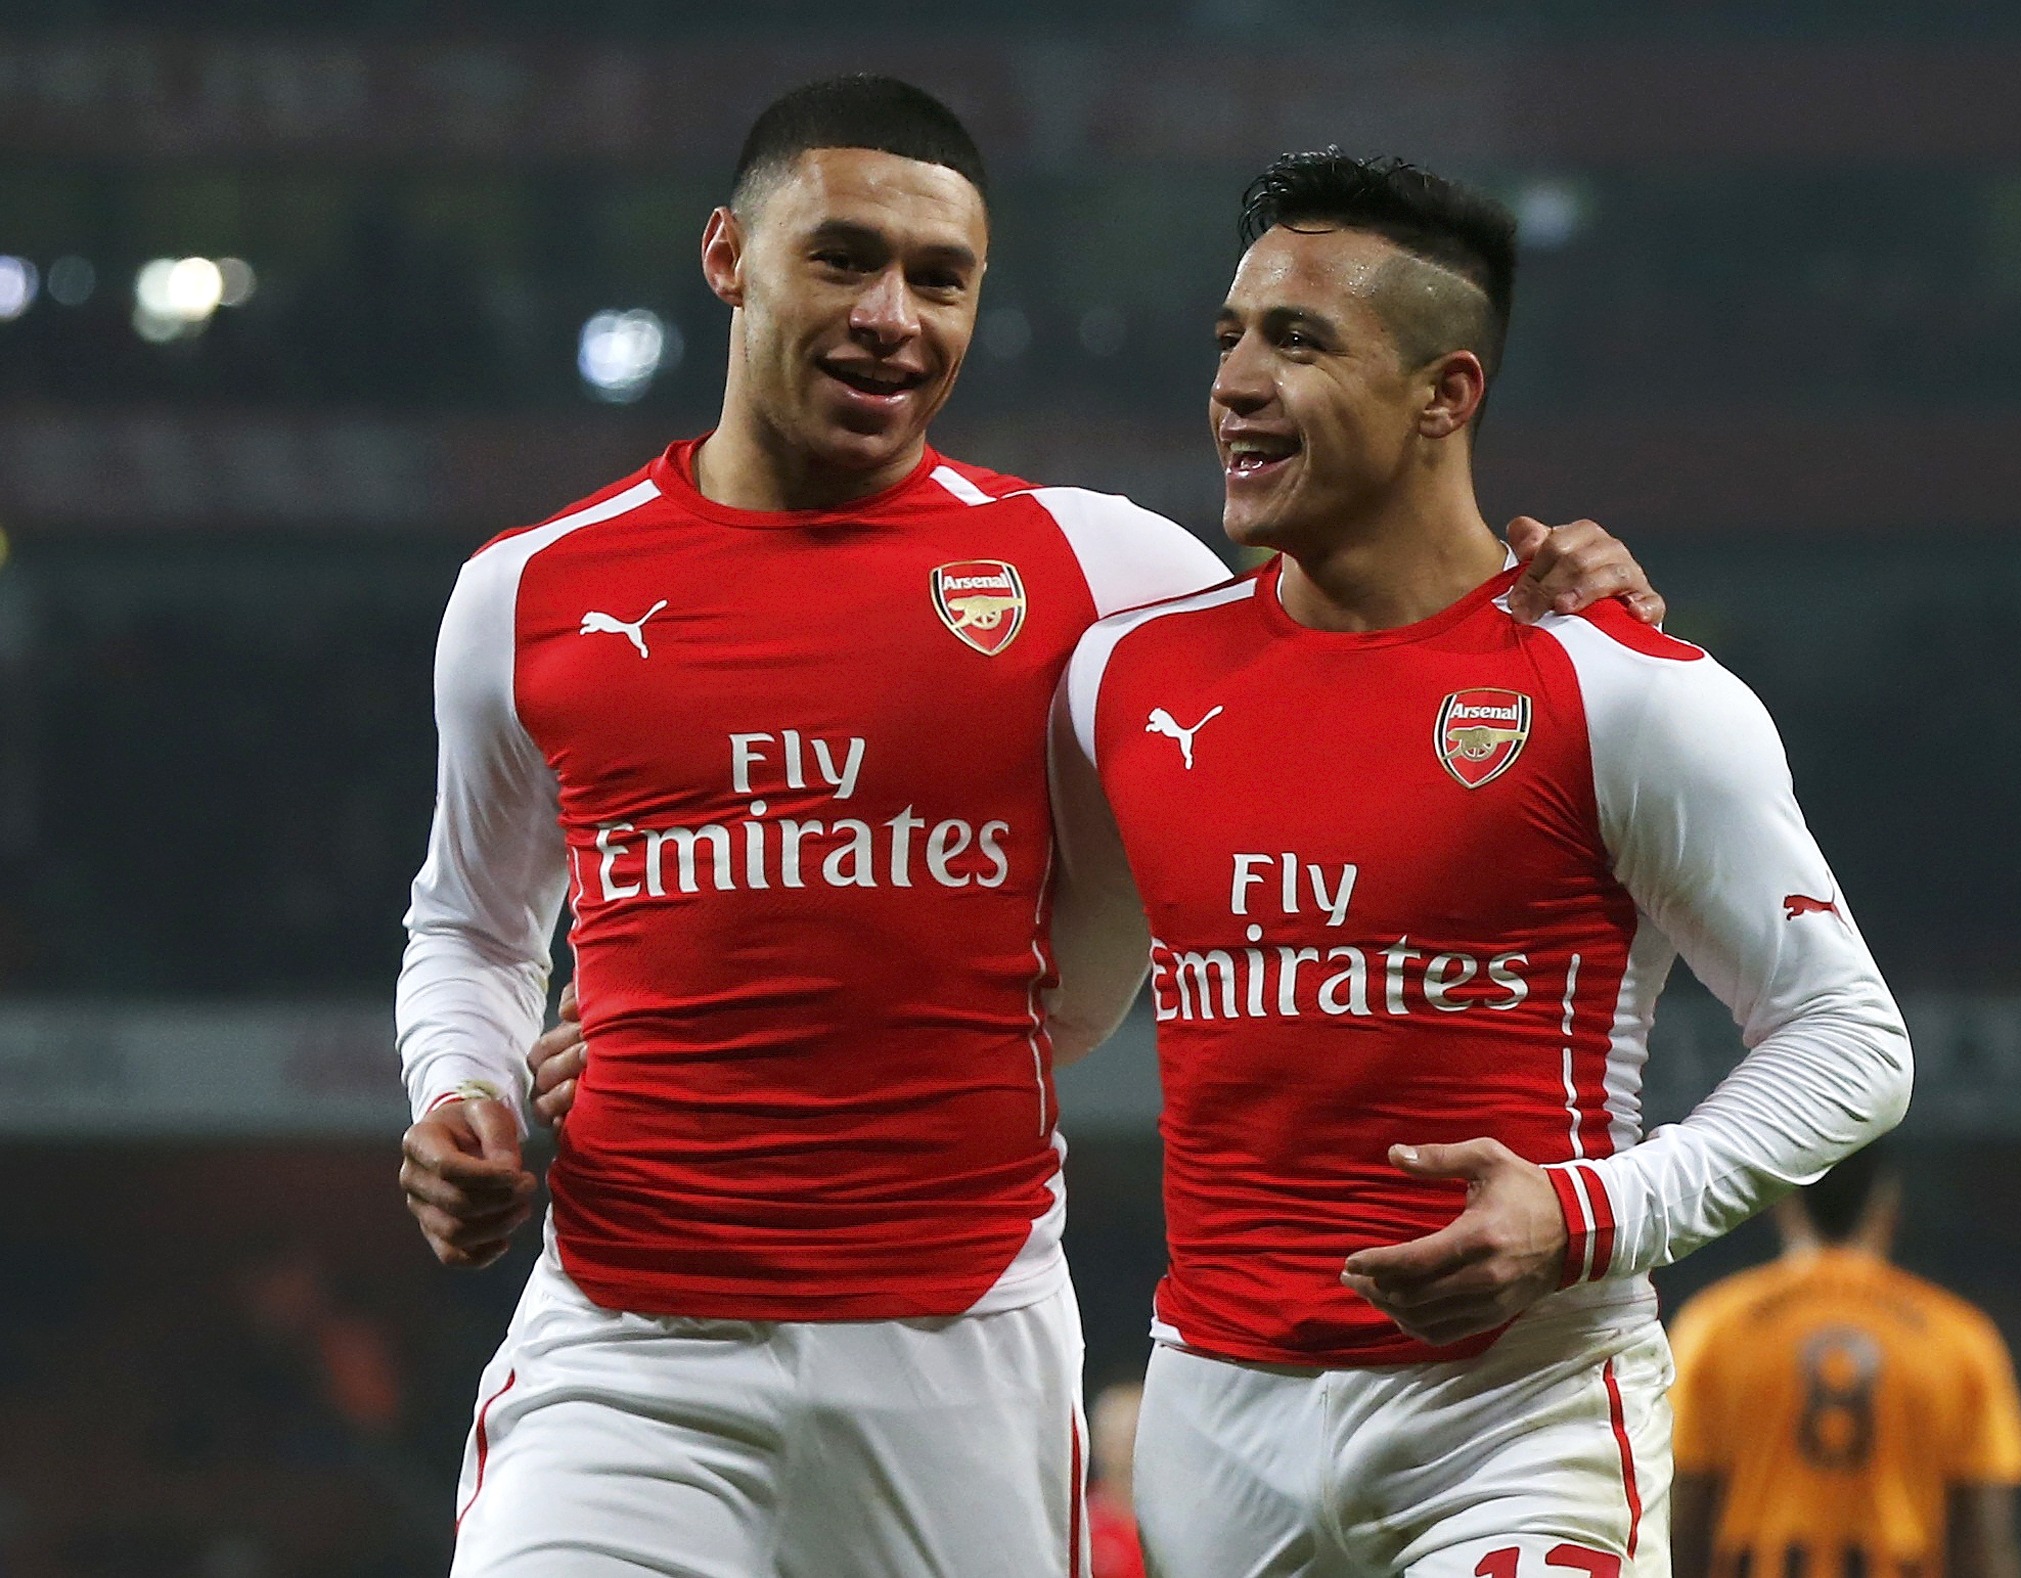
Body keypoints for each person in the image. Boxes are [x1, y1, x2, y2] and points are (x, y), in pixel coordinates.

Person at [396, 77, 1661, 1577]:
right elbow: (471, 923)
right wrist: (462, 1085)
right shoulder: (530, 591)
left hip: (961, 1355)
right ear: (729, 256)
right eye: (844, 258)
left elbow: (1371, 649)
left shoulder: (1101, 571)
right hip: (630, 1345)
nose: (892, 313)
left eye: (941, 279)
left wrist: (1559, 602)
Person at [1051, 150, 1914, 1576]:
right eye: (1229, 337)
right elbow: (1041, 999)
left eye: (1300, 340)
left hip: (1513, 1416)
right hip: (1212, 1412)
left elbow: (1850, 1039)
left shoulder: (1625, 688)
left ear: (1445, 394)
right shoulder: (1117, 674)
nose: (1237, 381)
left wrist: (1589, 1211)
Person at [1666, 1146, 2021, 1578]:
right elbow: (1981, 1537)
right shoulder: (1958, 1337)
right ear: (1889, 1211)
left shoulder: (1715, 1327)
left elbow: (1682, 1517)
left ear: (1783, 1203)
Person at [1088, 1380, 1149, 1578]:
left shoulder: (1182, 1524)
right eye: (1112, 1437)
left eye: (1132, 1436)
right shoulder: (1079, 1524)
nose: (1123, 1451)